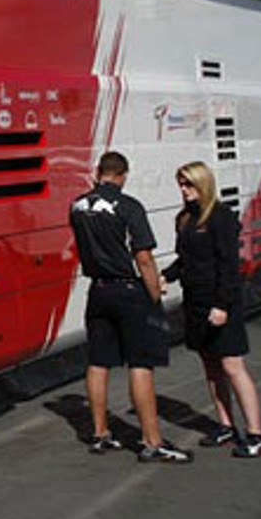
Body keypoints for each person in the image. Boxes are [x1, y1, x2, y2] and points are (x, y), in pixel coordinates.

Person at [70, 151, 190, 463]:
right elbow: (144, 259)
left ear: (98, 172)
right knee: (140, 363)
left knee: (98, 361)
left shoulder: (77, 206)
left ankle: (100, 434)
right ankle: (152, 441)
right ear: (123, 175)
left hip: (97, 290)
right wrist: (154, 297)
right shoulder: (129, 207)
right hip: (128, 290)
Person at [172, 161, 261, 457]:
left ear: (203, 183)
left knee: (232, 366)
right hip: (195, 302)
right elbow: (185, 260)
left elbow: (229, 265)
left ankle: (256, 435)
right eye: (181, 183)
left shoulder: (221, 218)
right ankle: (226, 427)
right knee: (211, 366)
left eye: (188, 183)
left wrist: (222, 305)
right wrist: (165, 276)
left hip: (220, 303)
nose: (184, 189)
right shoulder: (185, 219)